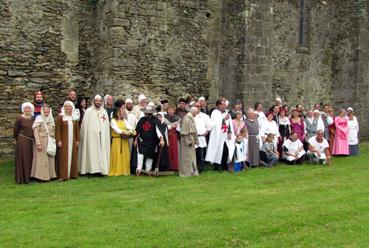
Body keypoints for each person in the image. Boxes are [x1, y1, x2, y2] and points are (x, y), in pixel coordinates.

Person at [79, 95, 111, 175]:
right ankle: (91, 170)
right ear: (94, 101)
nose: (98, 102)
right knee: (92, 153)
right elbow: (84, 126)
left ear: (102, 102)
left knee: (101, 152)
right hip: (91, 138)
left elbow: (106, 126)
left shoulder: (104, 112)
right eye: (97, 100)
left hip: (101, 137)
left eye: (100, 101)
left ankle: (101, 170)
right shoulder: (89, 111)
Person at [134, 105, 165, 175]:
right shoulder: (142, 120)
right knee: (140, 155)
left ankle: (148, 171)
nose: (147, 114)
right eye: (146, 112)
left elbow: (158, 131)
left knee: (150, 156)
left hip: (152, 141)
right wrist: (135, 139)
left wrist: (161, 139)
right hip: (142, 140)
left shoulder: (155, 120)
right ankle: (138, 170)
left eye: (149, 113)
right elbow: (138, 130)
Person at [205, 99, 235, 171]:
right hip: (218, 135)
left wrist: (230, 132)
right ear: (219, 105)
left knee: (225, 150)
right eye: (223, 105)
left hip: (225, 135)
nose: (225, 106)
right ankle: (217, 165)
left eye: (225, 105)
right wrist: (224, 119)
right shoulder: (215, 113)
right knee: (218, 149)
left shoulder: (226, 113)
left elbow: (230, 124)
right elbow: (215, 124)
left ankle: (224, 165)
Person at [31, 104, 57, 181]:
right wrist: (38, 143)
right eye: (45, 109)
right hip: (41, 141)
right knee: (41, 159)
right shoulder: (39, 119)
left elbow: (53, 131)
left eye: (48, 109)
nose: (46, 111)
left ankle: (51, 175)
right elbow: (35, 132)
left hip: (50, 141)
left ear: (50, 110)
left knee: (50, 157)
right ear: (42, 110)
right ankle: (41, 176)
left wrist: (53, 139)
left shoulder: (51, 119)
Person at [55, 101, 80, 180]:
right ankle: (63, 175)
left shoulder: (74, 118)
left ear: (72, 108)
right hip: (64, 140)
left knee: (73, 156)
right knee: (63, 157)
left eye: (70, 106)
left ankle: (72, 174)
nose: (68, 108)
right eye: (66, 106)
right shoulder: (60, 117)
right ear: (64, 108)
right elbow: (57, 130)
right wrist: (58, 140)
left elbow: (77, 130)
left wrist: (78, 140)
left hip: (72, 141)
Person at [109, 100, 134, 176]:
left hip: (124, 141)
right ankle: (117, 171)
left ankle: (124, 171)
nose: (123, 112)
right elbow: (117, 129)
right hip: (116, 141)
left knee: (125, 156)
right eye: (122, 110)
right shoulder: (113, 121)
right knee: (117, 157)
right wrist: (124, 132)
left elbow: (129, 127)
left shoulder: (124, 121)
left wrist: (132, 131)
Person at [13, 102, 35, 184]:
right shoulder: (20, 118)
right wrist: (19, 139)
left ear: (31, 109)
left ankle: (30, 176)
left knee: (30, 159)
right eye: (26, 108)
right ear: (23, 109)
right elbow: (15, 131)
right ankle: (22, 178)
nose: (27, 109)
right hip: (22, 141)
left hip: (31, 141)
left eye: (29, 108)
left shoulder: (33, 118)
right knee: (24, 159)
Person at [193, 102, 213, 173]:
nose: (197, 108)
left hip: (201, 138)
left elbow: (210, 125)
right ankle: (193, 169)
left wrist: (207, 131)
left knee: (201, 156)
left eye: (199, 106)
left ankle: (201, 169)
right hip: (192, 138)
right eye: (196, 106)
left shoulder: (205, 116)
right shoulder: (189, 116)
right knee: (192, 155)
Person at [179, 107, 199, 177]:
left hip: (189, 141)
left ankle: (192, 171)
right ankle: (186, 173)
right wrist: (190, 141)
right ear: (193, 112)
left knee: (191, 157)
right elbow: (186, 132)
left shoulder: (188, 118)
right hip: (187, 142)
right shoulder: (187, 119)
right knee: (186, 158)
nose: (196, 114)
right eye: (196, 112)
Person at [164, 105, 181, 171]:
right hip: (167, 135)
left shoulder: (177, 118)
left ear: (174, 111)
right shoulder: (164, 118)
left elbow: (179, 127)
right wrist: (171, 126)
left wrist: (176, 126)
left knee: (174, 150)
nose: (171, 111)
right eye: (170, 110)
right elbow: (163, 126)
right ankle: (168, 166)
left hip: (174, 135)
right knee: (168, 150)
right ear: (167, 111)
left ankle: (175, 166)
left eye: (172, 110)